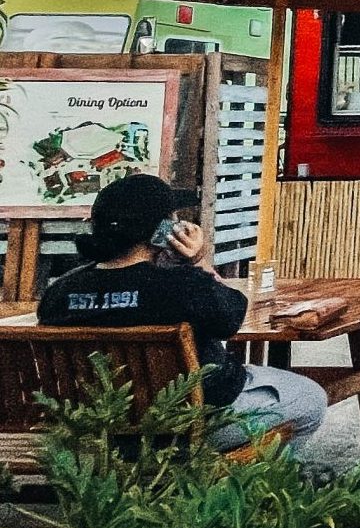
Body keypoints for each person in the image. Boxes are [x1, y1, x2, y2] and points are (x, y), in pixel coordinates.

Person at [37, 174, 326, 452]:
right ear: (162, 232)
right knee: (310, 397)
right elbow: (231, 317)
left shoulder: (59, 294)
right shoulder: (183, 285)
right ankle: (246, 485)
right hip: (190, 422)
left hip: (101, 426)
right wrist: (197, 262)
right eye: (173, 219)